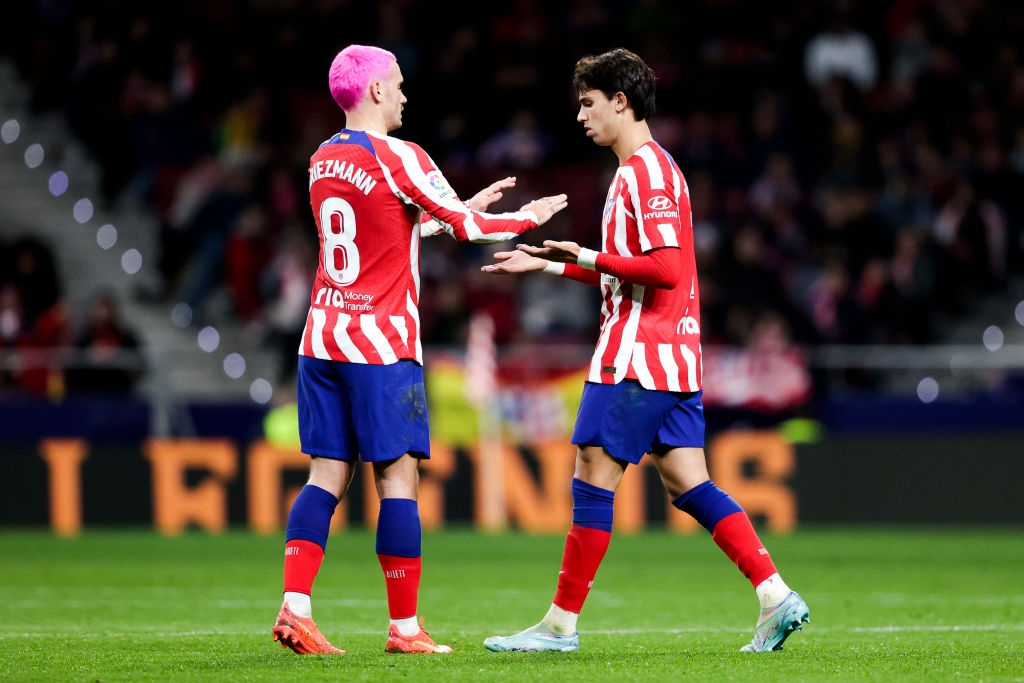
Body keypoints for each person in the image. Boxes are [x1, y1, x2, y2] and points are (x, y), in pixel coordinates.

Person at [480, 48, 808, 654]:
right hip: (673, 358)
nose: (581, 116)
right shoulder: (647, 170)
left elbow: (666, 269)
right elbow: (629, 273)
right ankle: (774, 594)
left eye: (588, 103)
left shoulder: (646, 173)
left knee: (591, 477)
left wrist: (581, 254)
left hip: (637, 356)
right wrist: (552, 266)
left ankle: (559, 626)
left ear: (621, 101)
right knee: (688, 481)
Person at [272, 44, 567, 656]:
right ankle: (404, 628)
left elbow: (381, 230)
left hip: (322, 336)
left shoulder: (321, 159)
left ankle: (295, 607)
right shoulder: (401, 155)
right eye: (399, 84)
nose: (405, 94)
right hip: (382, 344)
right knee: (398, 478)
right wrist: (525, 218)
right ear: (376, 91)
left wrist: (454, 211)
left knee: (326, 473)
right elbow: (466, 231)